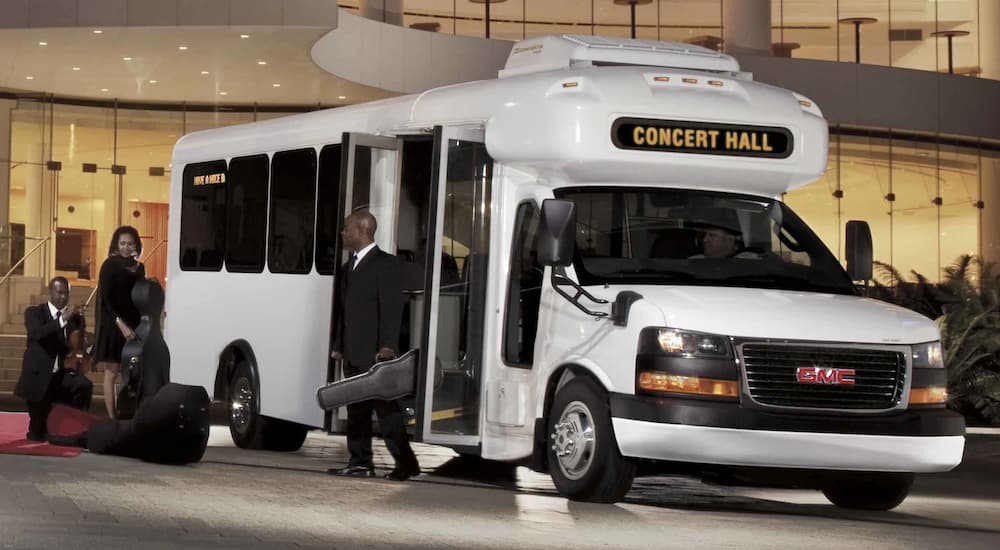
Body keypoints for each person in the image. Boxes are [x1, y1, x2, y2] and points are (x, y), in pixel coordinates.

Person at [329, 211, 420, 481]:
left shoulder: (386, 265)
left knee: (387, 412)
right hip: (353, 352)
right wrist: (338, 345)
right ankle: (360, 462)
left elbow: (391, 309)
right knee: (356, 411)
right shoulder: (349, 268)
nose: (343, 233)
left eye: (347, 228)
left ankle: (406, 463)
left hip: (375, 354)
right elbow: (343, 311)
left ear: (363, 230)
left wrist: (388, 346)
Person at [14, 277, 93, 441]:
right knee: (37, 434)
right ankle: (41, 424)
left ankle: (75, 427)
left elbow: (77, 345)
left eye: (66, 294)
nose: (63, 297)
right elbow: (38, 334)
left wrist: (87, 344)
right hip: (39, 377)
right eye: (59, 293)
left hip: (60, 376)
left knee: (84, 385)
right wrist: (62, 320)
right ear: (51, 292)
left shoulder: (75, 318)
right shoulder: (34, 313)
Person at [93, 225, 146, 418]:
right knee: (112, 372)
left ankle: (126, 412)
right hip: (114, 325)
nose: (125, 246)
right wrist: (121, 325)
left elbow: (140, 294)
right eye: (122, 243)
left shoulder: (140, 267)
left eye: (129, 243)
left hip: (134, 325)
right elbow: (106, 299)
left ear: (135, 245)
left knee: (130, 372)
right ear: (116, 244)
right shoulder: (109, 265)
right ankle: (111, 416)